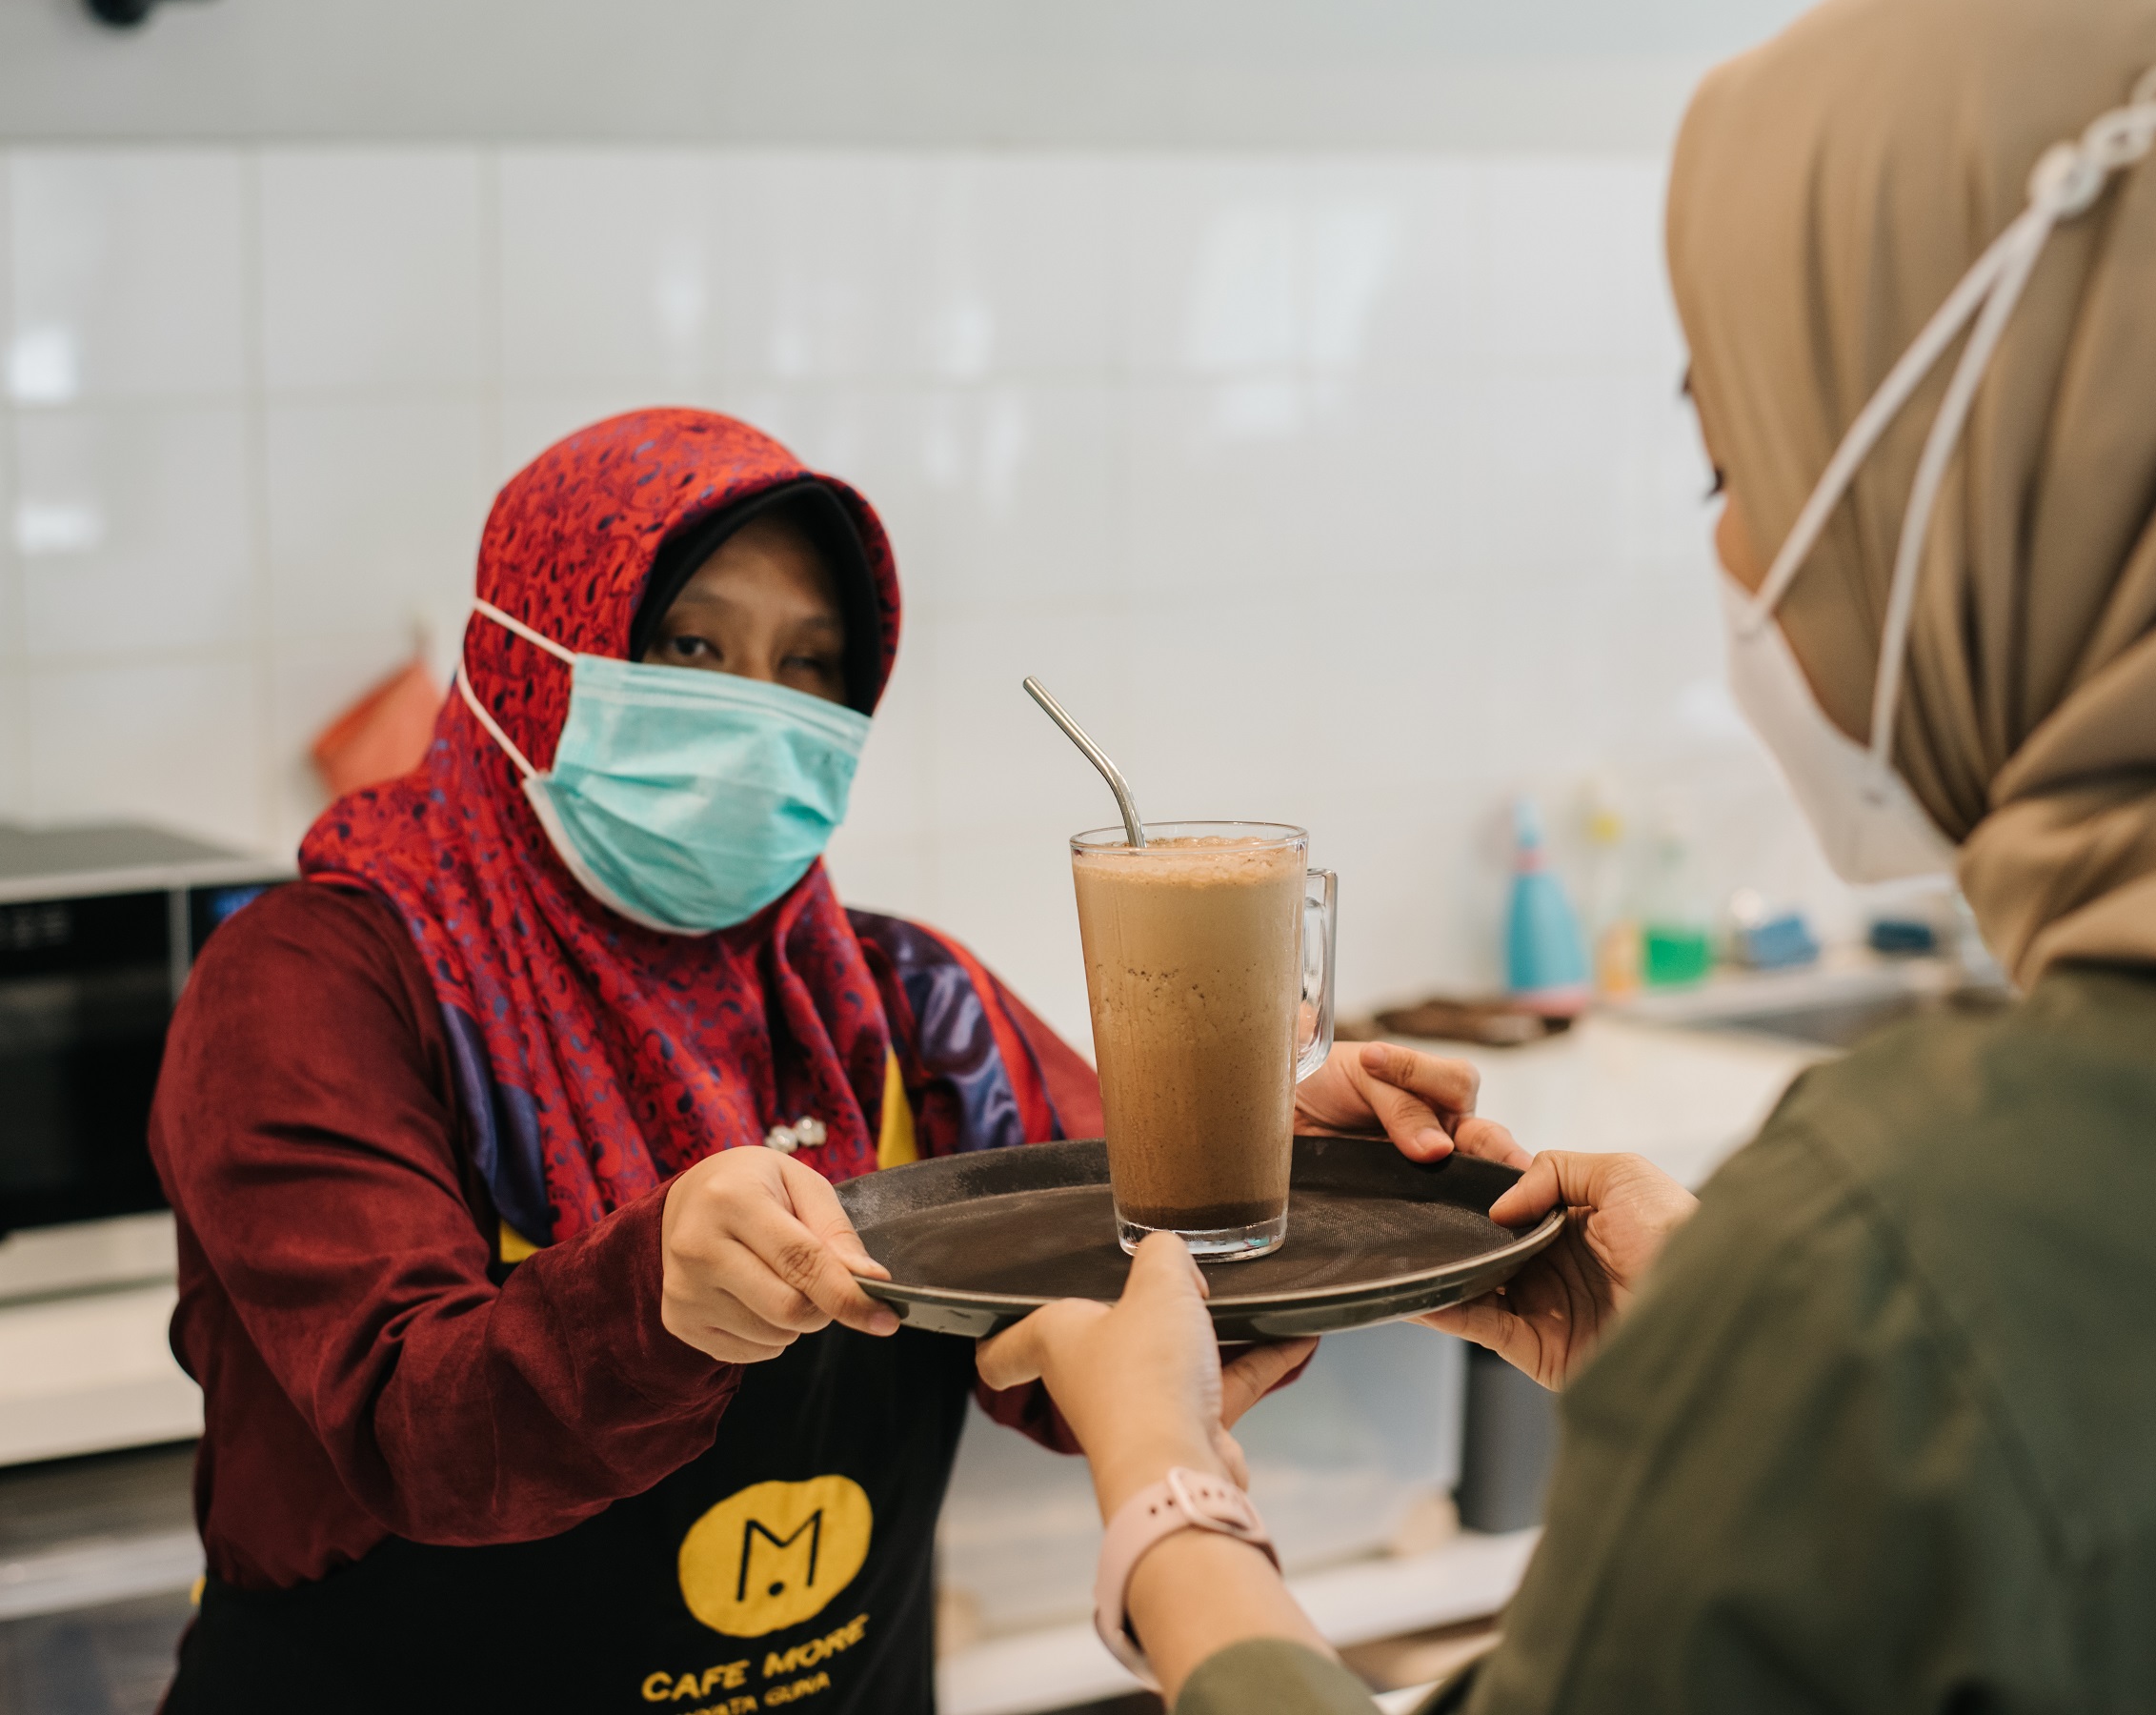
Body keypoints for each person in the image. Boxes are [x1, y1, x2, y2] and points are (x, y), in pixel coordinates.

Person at [977, 0, 2156, 1711]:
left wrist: (1167, 1487)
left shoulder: (1928, 1248)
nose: (1732, 558)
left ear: (2001, 486)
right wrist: (1744, 1388)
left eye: (1743, 462)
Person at [149, 410, 1475, 1713]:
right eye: (691, 645)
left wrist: (1275, 1170)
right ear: (531, 661)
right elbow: (415, 1434)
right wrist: (647, 1298)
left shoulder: (902, 1006)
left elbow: (1107, 1326)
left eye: (810, 662)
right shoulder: (319, 986)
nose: (758, 710)